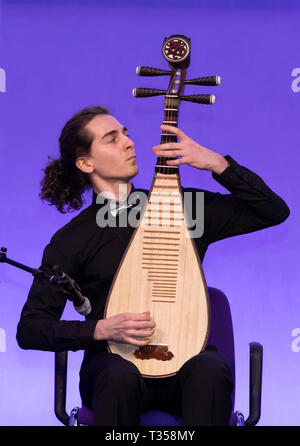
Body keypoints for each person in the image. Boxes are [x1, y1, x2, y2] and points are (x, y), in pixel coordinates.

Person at [16, 105, 290, 426]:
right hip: (113, 369)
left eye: (126, 134)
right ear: (86, 162)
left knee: (210, 369)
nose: (128, 143)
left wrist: (216, 163)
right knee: (117, 376)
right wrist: (100, 329)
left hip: (185, 365)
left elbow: (272, 211)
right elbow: (30, 329)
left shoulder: (184, 209)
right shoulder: (72, 239)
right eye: (111, 139)